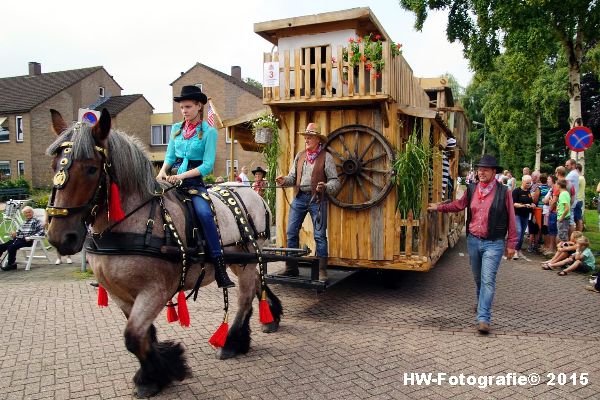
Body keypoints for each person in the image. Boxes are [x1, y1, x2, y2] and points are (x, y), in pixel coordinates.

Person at [428, 155, 517, 334]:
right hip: (474, 241)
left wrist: (511, 244)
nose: (481, 172)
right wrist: (439, 207)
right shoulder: (472, 188)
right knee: (478, 279)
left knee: (488, 281)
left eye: (485, 169)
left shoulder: (504, 192)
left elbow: (512, 220)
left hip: (494, 242)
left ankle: (483, 318)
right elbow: (458, 205)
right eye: (479, 169)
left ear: (494, 172)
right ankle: (481, 303)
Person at [156, 85, 234, 288]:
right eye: (182, 107)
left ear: (199, 106)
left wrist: (181, 175)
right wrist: (162, 171)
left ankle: (218, 265)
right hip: (171, 182)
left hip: (193, 184)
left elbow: (207, 166)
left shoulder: (210, 132)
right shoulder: (175, 129)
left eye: (188, 107)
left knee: (205, 213)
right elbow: (170, 157)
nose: (184, 111)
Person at [275, 123, 341, 281]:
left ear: (318, 139)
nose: (306, 139)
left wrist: (325, 186)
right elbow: (292, 178)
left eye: (310, 136)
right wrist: (283, 180)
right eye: (305, 136)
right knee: (291, 232)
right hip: (299, 198)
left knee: (319, 236)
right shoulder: (300, 156)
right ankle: (291, 268)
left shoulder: (327, 157)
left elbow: (335, 182)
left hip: (317, 200)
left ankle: (322, 271)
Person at [0, 206, 45, 271]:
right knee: (2, 246)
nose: (28, 214)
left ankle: (11, 264)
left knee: (11, 247)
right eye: (26, 213)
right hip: (18, 239)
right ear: (24, 214)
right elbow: (19, 232)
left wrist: (31, 237)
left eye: (29, 212)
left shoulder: (36, 221)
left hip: (27, 241)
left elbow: (41, 231)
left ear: (32, 213)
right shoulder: (24, 222)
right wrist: (14, 234)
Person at [512, 175, 535, 260]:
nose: (528, 184)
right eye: (527, 183)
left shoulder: (528, 192)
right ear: (522, 182)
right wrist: (524, 205)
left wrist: (532, 205)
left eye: (530, 183)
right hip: (517, 214)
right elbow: (514, 204)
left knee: (522, 234)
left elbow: (531, 202)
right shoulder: (516, 191)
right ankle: (514, 251)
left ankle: (518, 249)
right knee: (518, 231)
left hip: (526, 215)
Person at [556, 179, 571, 243]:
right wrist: (558, 207)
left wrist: (561, 218)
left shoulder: (563, 194)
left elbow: (567, 208)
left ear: (559, 186)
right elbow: (564, 205)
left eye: (556, 184)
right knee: (562, 236)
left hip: (563, 219)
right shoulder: (566, 193)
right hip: (564, 218)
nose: (556, 186)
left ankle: (565, 252)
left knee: (563, 238)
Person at [575, 163, 585, 232]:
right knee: (577, 218)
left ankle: (579, 234)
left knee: (578, 219)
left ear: (577, 169)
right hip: (579, 200)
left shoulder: (580, 178)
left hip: (577, 200)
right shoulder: (582, 178)